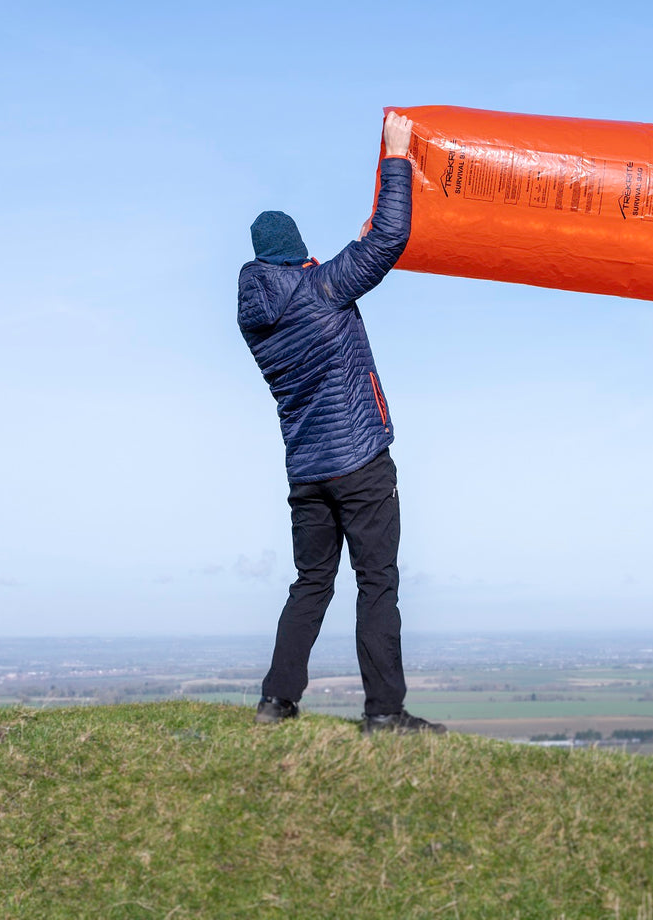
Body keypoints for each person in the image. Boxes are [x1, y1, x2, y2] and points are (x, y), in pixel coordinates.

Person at [237, 111, 445, 736]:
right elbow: (388, 240)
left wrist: (333, 265)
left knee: (311, 584)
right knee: (376, 583)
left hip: (307, 473)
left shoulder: (257, 317)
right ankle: (384, 712)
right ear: (299, 253)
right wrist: (399, 157)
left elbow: (332, 275)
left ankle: (277, 703)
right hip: (358, 460)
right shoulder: (323, 289)